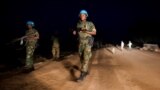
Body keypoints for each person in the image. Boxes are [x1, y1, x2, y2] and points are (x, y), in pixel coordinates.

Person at [73, 9, 96, 81]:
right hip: (80, 43)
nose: (82, 16)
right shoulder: (78, 24)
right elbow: (77, 32)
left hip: (87, 43)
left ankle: (82, 74)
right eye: (81, 15)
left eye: (83, 15)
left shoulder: (90, 23)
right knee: (81, 58)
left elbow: (94, 33)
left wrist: (87, 31)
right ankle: (85, 70)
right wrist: (75, 32)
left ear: (86, 16)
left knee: (86, 58)